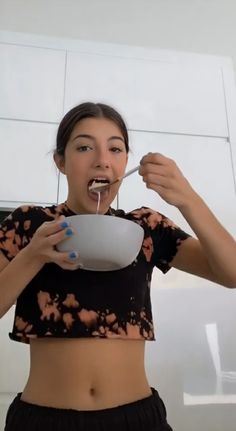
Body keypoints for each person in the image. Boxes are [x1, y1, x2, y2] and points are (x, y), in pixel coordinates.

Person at [0, 102, 235, 431]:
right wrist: (33, 255)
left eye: (115, 148)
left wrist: (188, 198)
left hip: (137, 419)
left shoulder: (146, 226)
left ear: (125, 161)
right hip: (43, 420)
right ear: (61, 162)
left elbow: (232, 272)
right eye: (84, 147)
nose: (102, 159)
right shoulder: (30, 224)